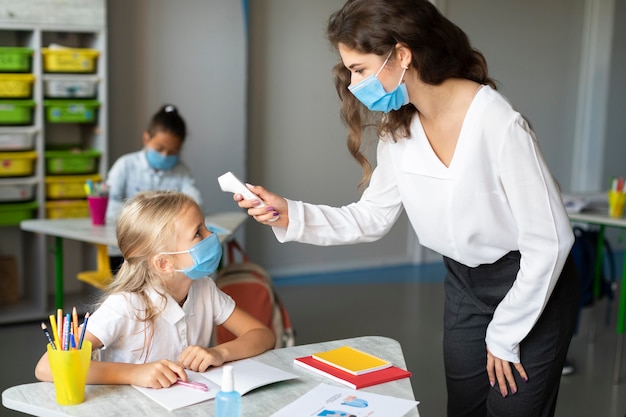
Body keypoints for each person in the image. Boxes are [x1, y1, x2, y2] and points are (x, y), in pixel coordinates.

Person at [232, 1, 580, 416]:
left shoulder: (497, 123)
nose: (354, 82)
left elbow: (551, 241)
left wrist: (505, 334)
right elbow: (371, 217)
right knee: (465, 409)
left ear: (401, 54)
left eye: (359, 69)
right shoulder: (401, 127)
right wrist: (289, 212)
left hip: (529, 285)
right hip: (465, 284)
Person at [35, 191, 275, 388]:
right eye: (198, 232)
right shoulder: (125, 305)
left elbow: (263, 335)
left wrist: (219, 353)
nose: (212, 235)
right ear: (163, 263)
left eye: (206, 227)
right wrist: (134, 374)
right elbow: (47, 367)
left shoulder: (204, 289)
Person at [105, 104, 202, 272]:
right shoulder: (125, 165)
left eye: (172, 152)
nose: (165, 155)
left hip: (165, 252)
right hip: (125, 250)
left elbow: (195, 202)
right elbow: (110, 205)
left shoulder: (182, 172)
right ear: (146, 138)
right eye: (159, 148)